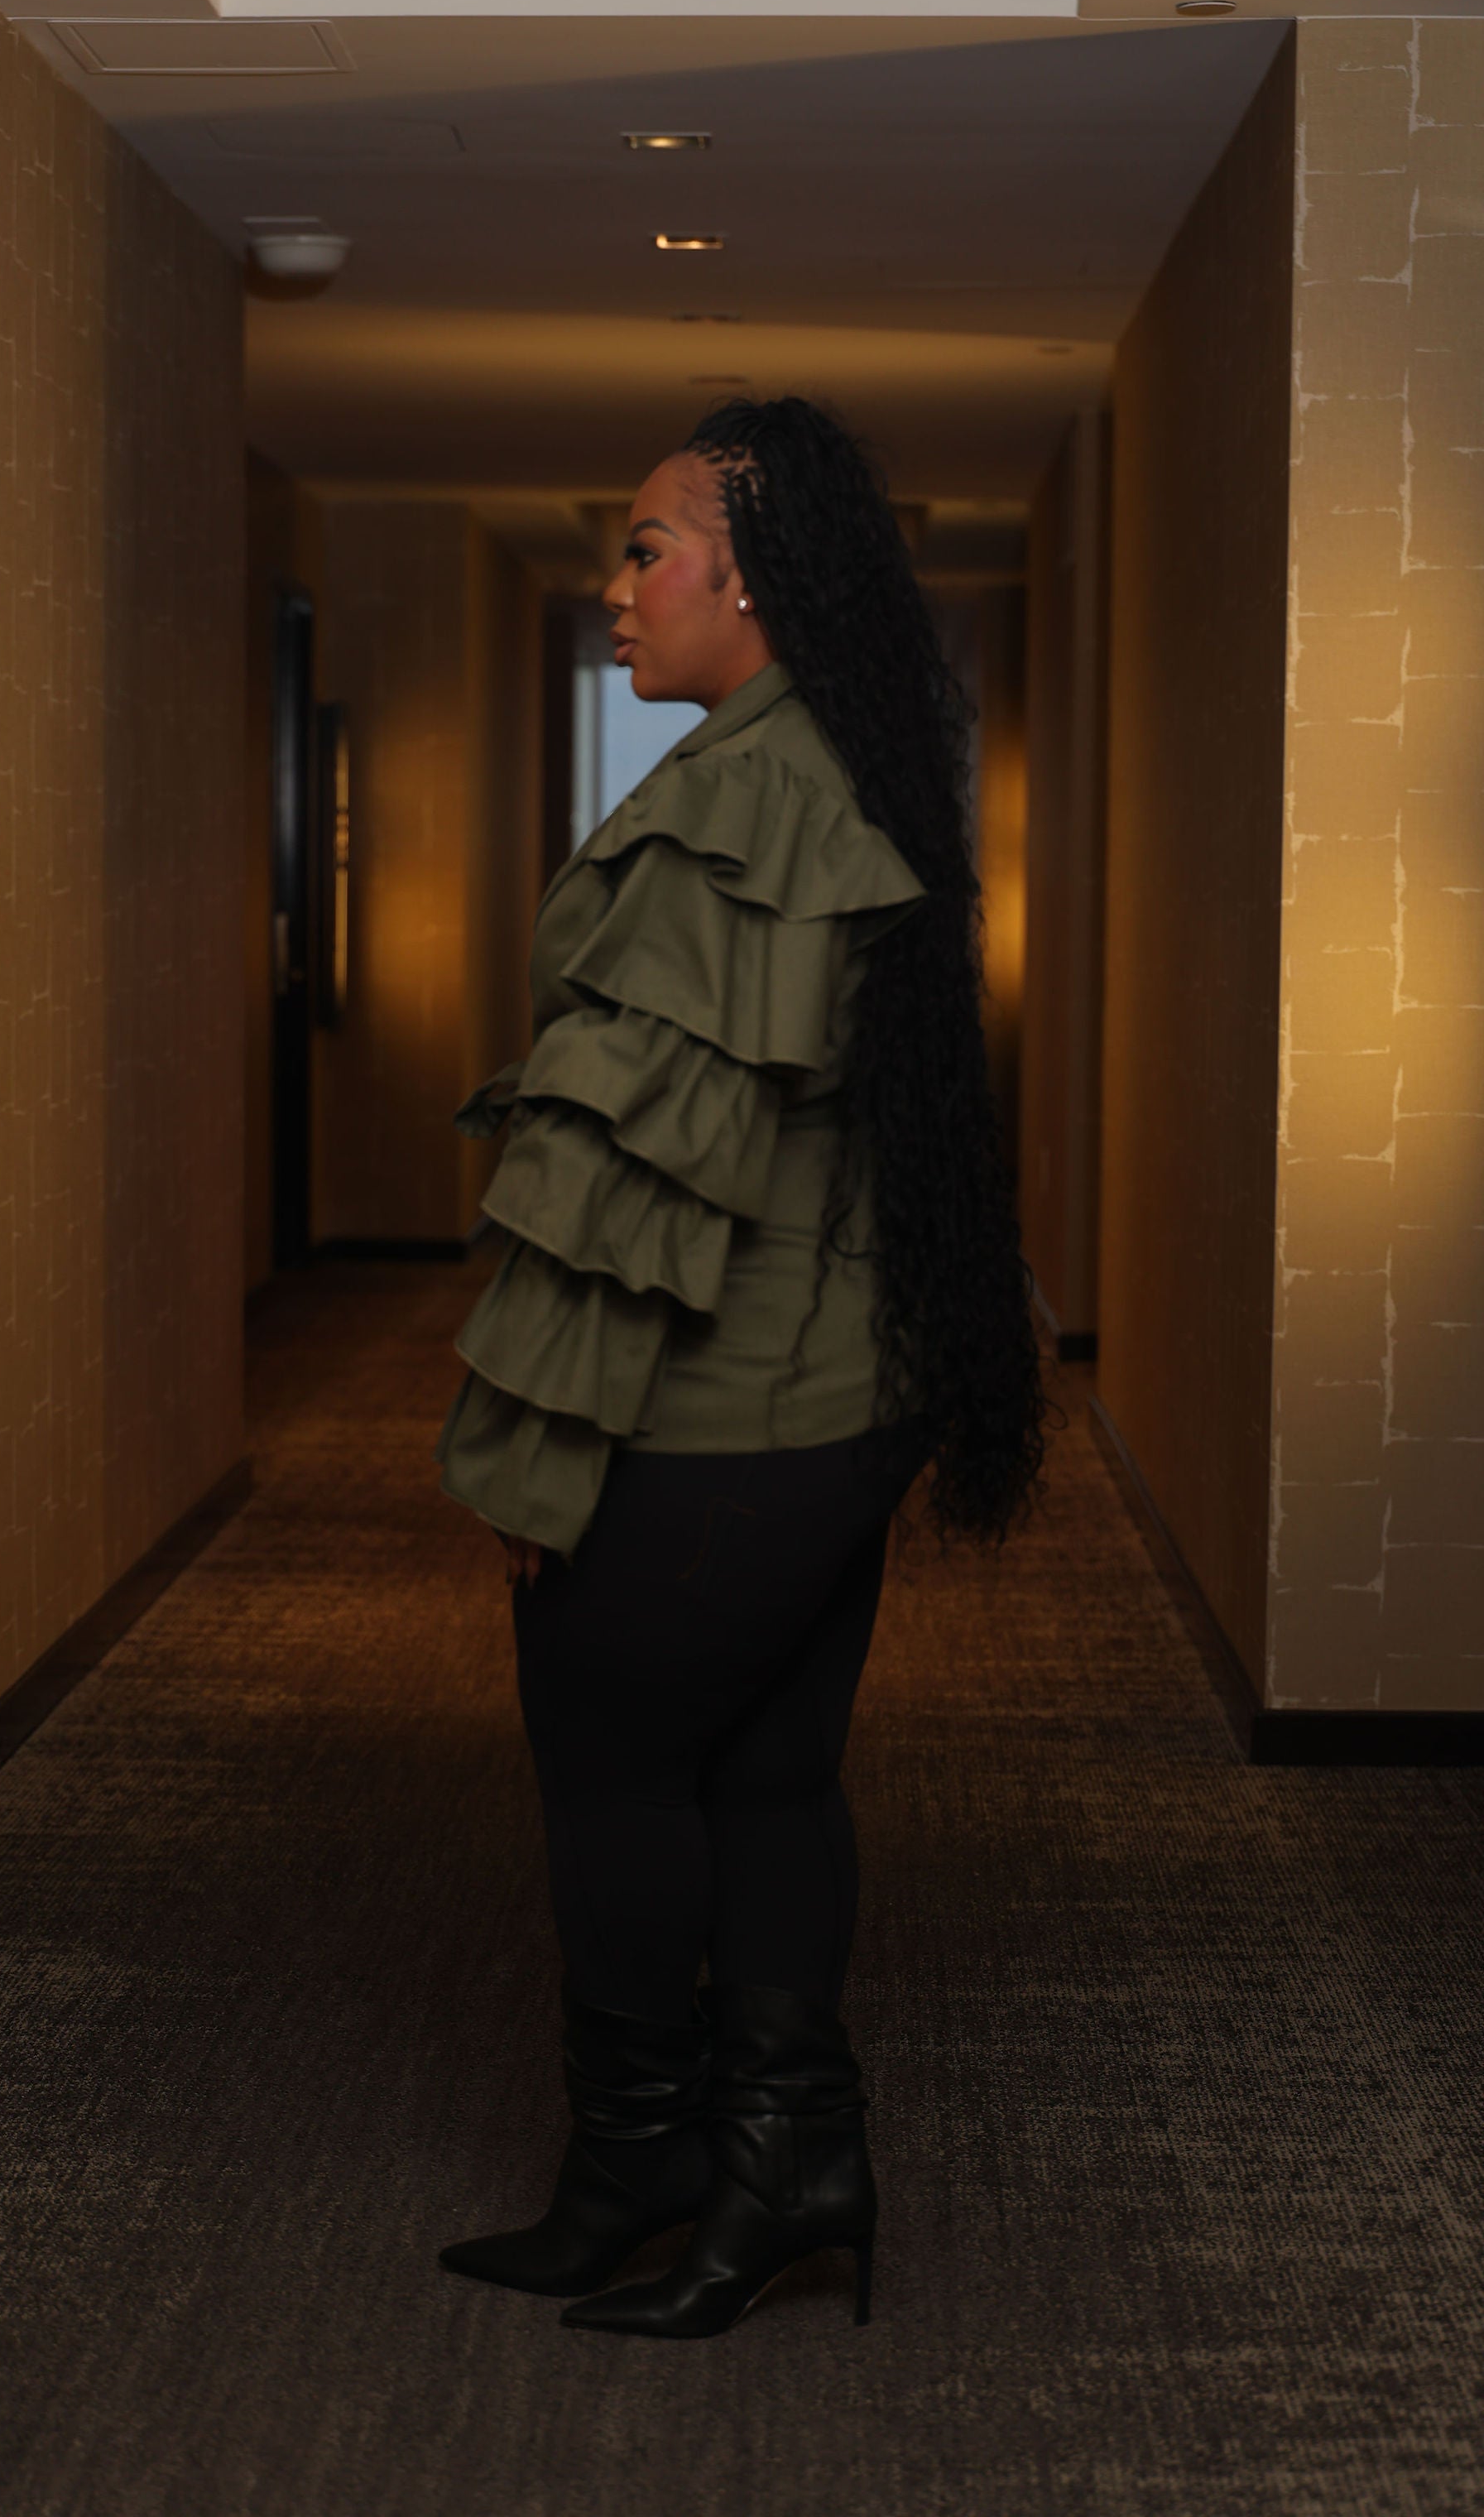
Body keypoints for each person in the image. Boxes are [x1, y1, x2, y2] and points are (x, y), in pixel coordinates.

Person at [435, 396, 1044, 2340]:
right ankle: (786, 2165)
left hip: (717, 1415)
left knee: (613, 1768)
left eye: (643, 549)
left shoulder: (743, 805)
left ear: (752, 580)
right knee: (771, 1778)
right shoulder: (837, 769)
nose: (615, 587)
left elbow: (622, 1179)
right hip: (837, 1396)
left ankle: (645, 2161)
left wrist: (536, 1456)